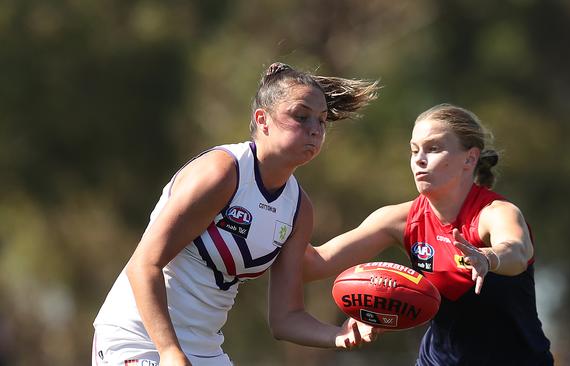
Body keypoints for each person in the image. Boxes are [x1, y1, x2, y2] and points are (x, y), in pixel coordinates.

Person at [92, 62, 381, 366]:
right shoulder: (222, 174)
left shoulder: (298, 209)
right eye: (301, 116)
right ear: (263, 120)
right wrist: (168, 351)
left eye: (322, 121)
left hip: (203, 349)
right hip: (139, 338)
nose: (315, 129)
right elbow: (143, 265)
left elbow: (286, 318)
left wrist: (339, 335)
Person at [304, 103, 554, 365]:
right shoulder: (398, 219)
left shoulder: (495, 213)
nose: (419, 159)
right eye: (414, 150)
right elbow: (314, 263)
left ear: (470, 158)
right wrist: (274, 217)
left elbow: (516, 250)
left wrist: (489, 258)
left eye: (433, 148)